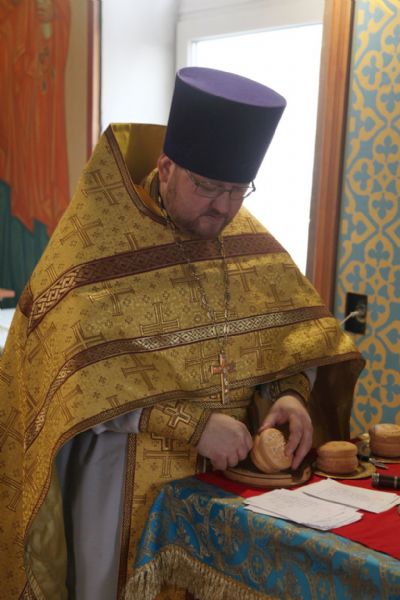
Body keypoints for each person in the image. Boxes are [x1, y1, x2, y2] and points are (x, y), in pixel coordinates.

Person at [0, 67, 364, 599]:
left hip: (234, 488)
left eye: (237, 190)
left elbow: (292, 340)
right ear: (167, 167)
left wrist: (291, 394)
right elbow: (67, 379)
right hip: (121, 483)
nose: (223, 207)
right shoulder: (96, 243)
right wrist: (190, 426)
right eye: (207, 187)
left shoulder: (245, 238)